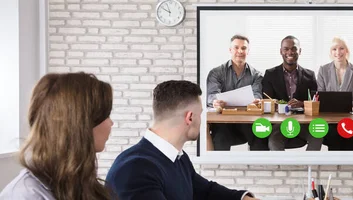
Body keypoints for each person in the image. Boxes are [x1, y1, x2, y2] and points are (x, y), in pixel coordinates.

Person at [105, 80, 258, 200]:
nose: (201, 120)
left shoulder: (178, 158)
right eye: (200, 114)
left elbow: (206, 192)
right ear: (190, 117)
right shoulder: (135, 169)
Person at [0, 72, 114, 199]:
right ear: (80, 123)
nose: (111, 123)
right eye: (106, 115)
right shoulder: (25, 195)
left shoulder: (79, 182)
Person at [207, 34, 268, 151]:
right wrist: (215, 101)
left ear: (248, 51)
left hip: (247, 121)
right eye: (236, 47)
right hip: (222, 123)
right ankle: (220, 168)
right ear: (230, 50)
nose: (240, 51)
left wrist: (257, 100)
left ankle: (258, 167)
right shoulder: (216, 72)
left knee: (261, 135)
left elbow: (257, 94)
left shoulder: (257, 75)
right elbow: (211, 95)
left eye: (244, 48)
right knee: (220, 137)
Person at [262, 35, 322, 151]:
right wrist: (282, 105)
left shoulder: (309, 75)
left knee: (318, 135)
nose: (290, 52)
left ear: (299, 51)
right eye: (286, 49)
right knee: (274, 141)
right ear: (281, 51)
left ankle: (308, 167)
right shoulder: (270, 74)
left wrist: (301, 103)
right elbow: (267, 101)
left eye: (294, 48)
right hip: (280, 123)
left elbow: (315, 102)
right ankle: (282, 168)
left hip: (304, 123)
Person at [317, 36, 353, 150]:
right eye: (334, 49)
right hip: (330, 119)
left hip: (350, 118)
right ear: (330, 52)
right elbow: (321, 97)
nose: (338, 52)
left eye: (341, 48)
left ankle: (350, 167)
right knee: (333, 135)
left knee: (350, 138)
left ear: (347, 50)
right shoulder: (323, 70)